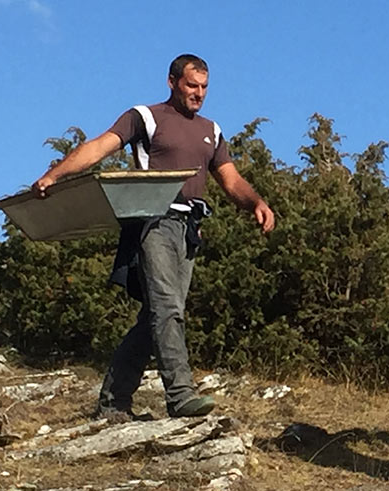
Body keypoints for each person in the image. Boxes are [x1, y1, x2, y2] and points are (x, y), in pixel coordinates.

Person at [33, 54, 274, 420]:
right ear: (172, 81)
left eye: (204, 87)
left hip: (189, 230)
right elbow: (100, 146)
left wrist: (256, 202)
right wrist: (56, 174)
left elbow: (230, 178)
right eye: (192, 85)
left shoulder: (212, 130)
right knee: (167, 308)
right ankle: (181, 396)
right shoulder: (145, 117)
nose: (198, 94)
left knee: (155, 317)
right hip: (153, 221)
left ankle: (113, 402)